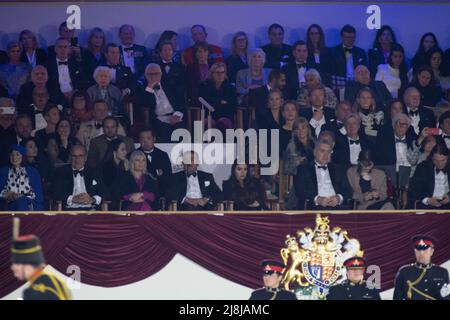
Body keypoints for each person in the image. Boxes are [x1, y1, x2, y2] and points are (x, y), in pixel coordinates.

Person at [11, 233, 71, 299]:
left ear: (28, 267)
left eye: (17, 263)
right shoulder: (56, 281)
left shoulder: (35, 292)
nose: (13, 267)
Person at [294, 140, 351, 210]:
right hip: (313, 206)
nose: (326, 155)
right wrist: (317, 199)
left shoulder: (338, 169)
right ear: (315, 152)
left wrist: (338, 198)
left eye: (328, 152)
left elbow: (348, 190)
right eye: (322, 151)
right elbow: (299, 190)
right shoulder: (303, 168)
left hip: (336, 207)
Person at [137, 63, 185, 143]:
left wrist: (177, 114)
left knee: (180, 128)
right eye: (150, 74)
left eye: (156, 74)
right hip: (158, 118)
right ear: (145, 75)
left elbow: (180, 101)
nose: (153, 76)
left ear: (161, 75)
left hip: (174, 115)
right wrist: (149, 88)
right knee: (163, 129)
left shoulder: (169, 86)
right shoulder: (142, 89)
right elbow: (142, 104)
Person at [393, 235, 450, 300]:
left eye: (425, 249)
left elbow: (446, 297)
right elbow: (397, 297)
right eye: (418, 249)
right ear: (414, 251)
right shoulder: (404, 272)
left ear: (431, 251)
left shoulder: (442, 272)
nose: (421, 253)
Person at [52, 144, 104, 210]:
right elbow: (55, 192)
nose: (77, 159)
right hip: (68, 211)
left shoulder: (94, 172)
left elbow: (104, 192)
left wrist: (92, 199)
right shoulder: (61, 172)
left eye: (80, 156)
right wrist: (73, 199)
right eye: (74, 156)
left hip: (91, 210)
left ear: (85, 158)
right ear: (70, 157)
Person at [0, 144, 44, 211]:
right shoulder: (4, 171)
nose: (14, 157)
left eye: (17, 154)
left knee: (22, 201)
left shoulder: (32, 171)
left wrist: (23, 197)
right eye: (12, 154)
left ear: (23, 157)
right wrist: (11, 195)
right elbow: (1, 191)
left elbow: (38, 195)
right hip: (10, 205)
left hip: (29, 204)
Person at [409, 143, 450, 209]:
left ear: (448, 158)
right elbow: (413, 190)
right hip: (427, 205)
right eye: (436, 161)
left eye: (443, 160)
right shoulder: (422, 167)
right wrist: (427, 200)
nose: (440, 164)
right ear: (432, 158)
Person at [199, 62, 237, 132]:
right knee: (210, 123)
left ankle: (228, 143)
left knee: (224, 122)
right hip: (209, 115)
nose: (220, 75)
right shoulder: (205, 86)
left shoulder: (230, 88)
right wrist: (221, 102)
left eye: (222, 72)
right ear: (212, 74)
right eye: (218, 72)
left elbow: (233, 104)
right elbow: (205, 102)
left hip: (225, 115)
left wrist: (216, 102)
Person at [329, 25, 367, 91]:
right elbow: (332, 72)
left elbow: (366, 70)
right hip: (340, 85)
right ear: (342, 37)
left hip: (358, 84)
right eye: (347, 37)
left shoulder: (361, 52)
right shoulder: (333, 52)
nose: (350, 40)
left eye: (352, 37)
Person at [47, 37, 86, 102]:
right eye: (60, 47)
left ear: (69, 49)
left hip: (74, 97)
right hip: (56, 97)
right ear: (55, 49)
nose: (63, 49)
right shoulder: (48, 65)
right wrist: (60, 94)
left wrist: (75, 91)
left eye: (65, 47)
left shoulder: (75, 63)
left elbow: (81, 81)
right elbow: (49, 84)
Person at [137, 129, 172, 198]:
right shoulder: (134, 155)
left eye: (148, 138)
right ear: (139, 141)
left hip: (159, 192)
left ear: (154, 139)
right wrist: (157, 172)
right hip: (139, 192)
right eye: (142, 139)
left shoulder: (163, 155)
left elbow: (168, 176)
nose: (146, 142)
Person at [156, 40, 186, 106]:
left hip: (177, 102)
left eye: (169, 50)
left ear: (173, 52)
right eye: (165, 50)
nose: (167, 52)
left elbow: (183, 85)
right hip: (160, 102)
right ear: (160, 53)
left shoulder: (180, 67)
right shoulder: (155, 67)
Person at [186, 41, 212, 106]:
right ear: (195, 53)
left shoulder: (213, 66)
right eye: (199, 51)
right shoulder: (190, 67)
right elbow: (190, 85)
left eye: (205, 51)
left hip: (212, 97)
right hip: (196, 98)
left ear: (208, 52)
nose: (202, 54)